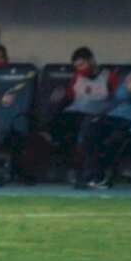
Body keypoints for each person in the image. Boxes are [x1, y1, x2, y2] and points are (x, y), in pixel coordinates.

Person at [80, 45, 131, 188]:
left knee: (115, 138)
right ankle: (92, 175)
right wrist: (130, 91)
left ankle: (99, 175)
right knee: (90, 128)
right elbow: (119, 96)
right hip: (117, 115)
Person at [48, 46, 120, 186]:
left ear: (92, 61)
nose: (80, 69)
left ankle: (88, 172)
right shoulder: (77, 77)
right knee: (54, 126)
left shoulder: (110, 76)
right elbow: (69, 97)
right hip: (76, 113)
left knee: (87, 132)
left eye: (82, 65)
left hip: (98, 115)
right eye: (77, 67)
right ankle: (71, 168)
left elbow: (116, 99)